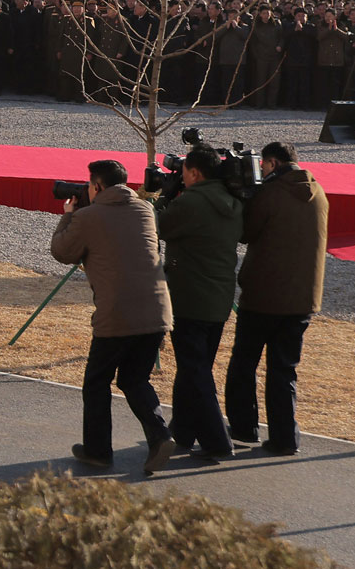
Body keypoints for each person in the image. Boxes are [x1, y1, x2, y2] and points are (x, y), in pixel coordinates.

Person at [49, 159, 177, 475]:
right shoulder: (145, 210)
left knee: (96, 382)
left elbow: (62, 252)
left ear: (98, 186)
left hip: (118, 313)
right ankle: (161, 436)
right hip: (157, 310)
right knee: (135, 379)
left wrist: (68, 216)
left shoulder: (88, 217)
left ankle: (98, 451)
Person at [226, 142, 328, 456]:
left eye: (263, 166)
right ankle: (285, 438)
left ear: (272, 163)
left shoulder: (271, 194)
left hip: (264, 296)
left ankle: (244, 428)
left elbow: (246, 232)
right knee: (284, 370)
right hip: (302, 298)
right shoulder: (318, 192)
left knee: (244, 364)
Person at [154, 148, 242, 461]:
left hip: (189, 295)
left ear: (195, 173)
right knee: (195, 368)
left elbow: (157, 227)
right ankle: (184, 430)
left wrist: (163, 197)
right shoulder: (234, 200)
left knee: (195, 370)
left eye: (185, 173)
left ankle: (217, 440)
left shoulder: (190, 201)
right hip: (219, 296)